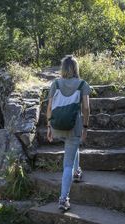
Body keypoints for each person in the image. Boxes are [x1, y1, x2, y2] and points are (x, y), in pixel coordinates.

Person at [46, 55, 91, 211]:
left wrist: (48, 126)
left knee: (72, 148)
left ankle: (77, 172)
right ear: (76, 68)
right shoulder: (82, 84)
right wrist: (85, 127)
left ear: (63, 68)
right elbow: (86, 108)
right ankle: (63, 199)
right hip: (74, 127)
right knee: (67, 165)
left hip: (57, 126)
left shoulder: (56, 83)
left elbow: (50, 107)